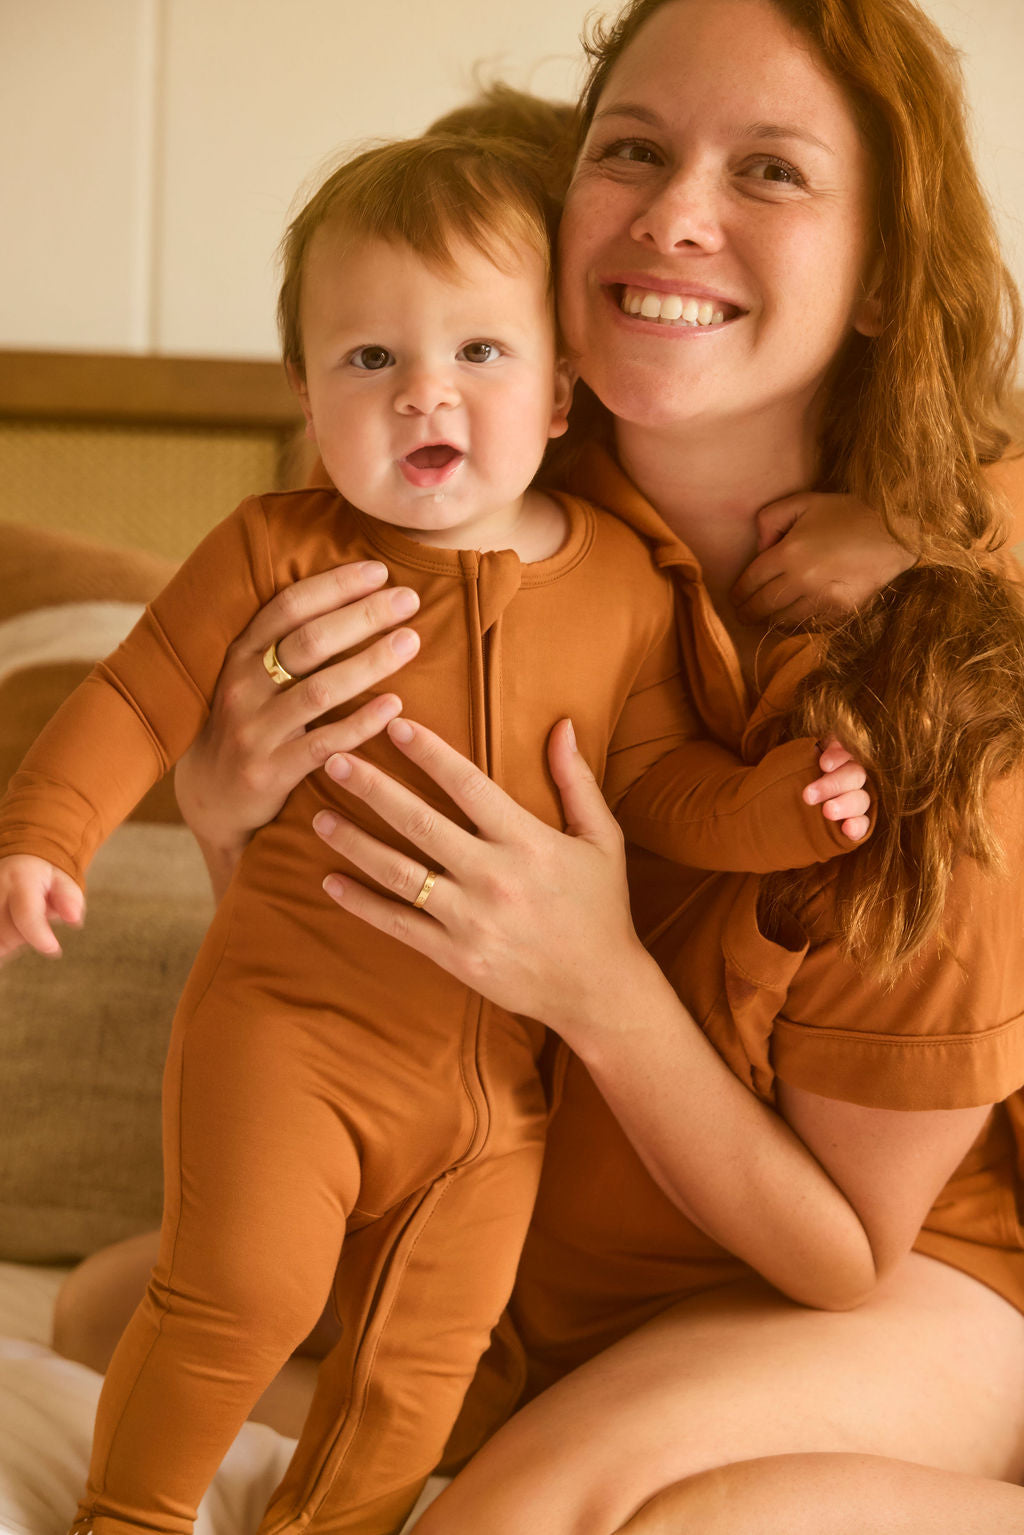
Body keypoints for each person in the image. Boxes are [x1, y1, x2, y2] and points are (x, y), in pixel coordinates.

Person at [148, 3, 1024, 1529]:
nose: (676, 216)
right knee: (126, 1320)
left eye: (771, 172)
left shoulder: (944, 676)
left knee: (518, 1521)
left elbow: (844, 1247)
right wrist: (229, 817)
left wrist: (594, 979)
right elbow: (346, 969)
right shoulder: (456, 479)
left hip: (873, 1282)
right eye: (630, 150)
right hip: (523, 1241)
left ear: (883, 272)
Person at [0, 130, 874, 1534]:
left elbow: (660, 791)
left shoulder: (623, 588)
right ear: (304, 390)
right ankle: (133, 1518)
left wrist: (787, 811)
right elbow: (134, 694)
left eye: (480, 353)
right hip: (292, 1030)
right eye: (370, 361)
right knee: (238, 1296)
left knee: (422, 1367)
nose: (426, 396)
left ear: (561, 392)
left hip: (494, 1100)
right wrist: (47, 830)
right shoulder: (276, 550)